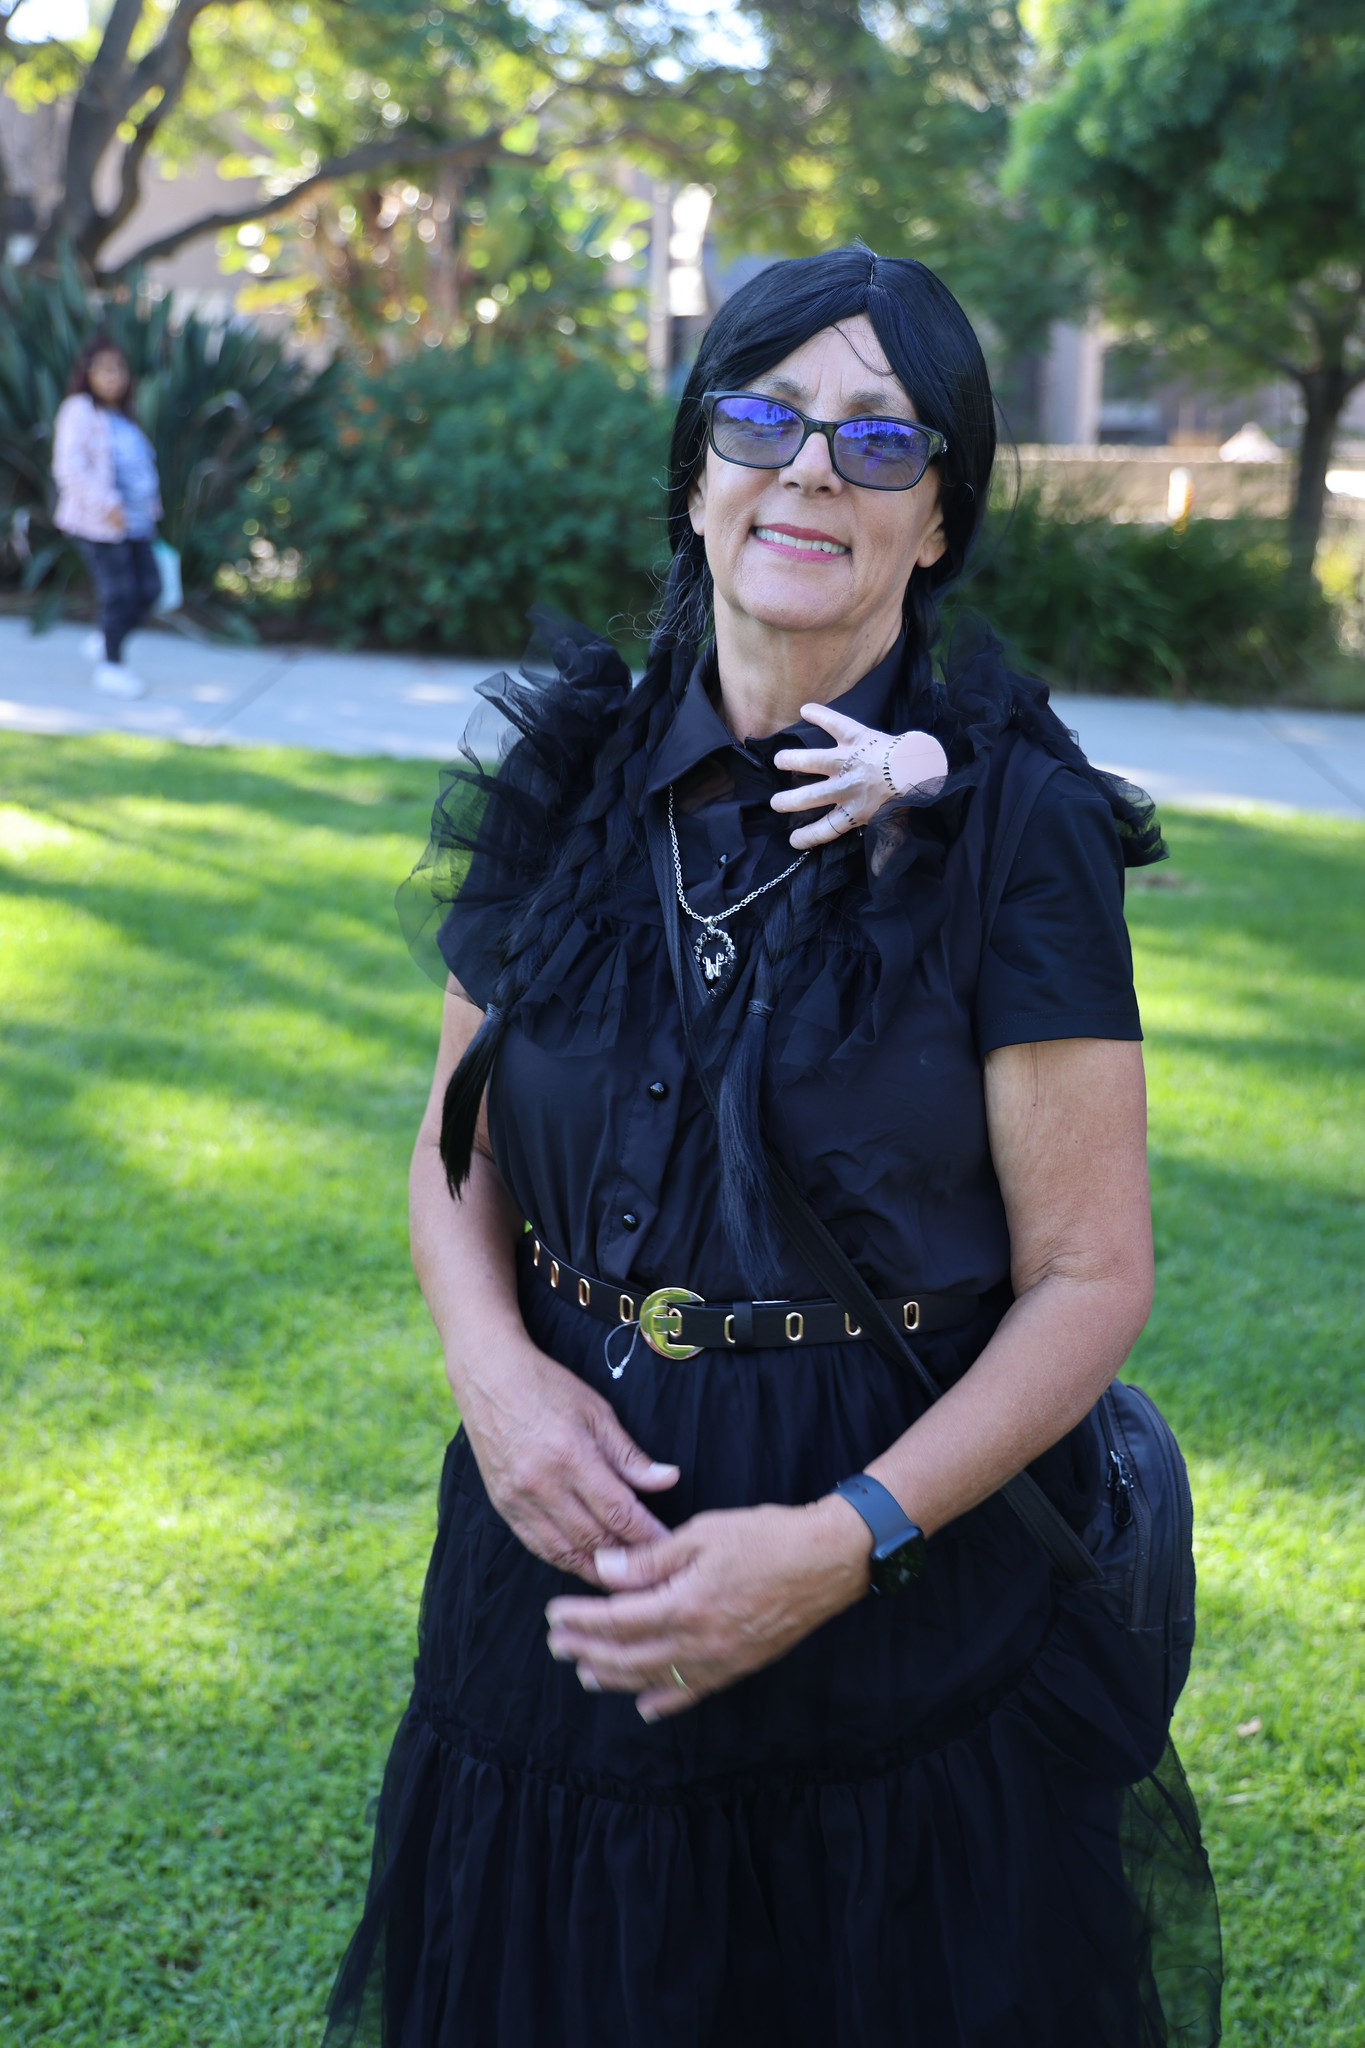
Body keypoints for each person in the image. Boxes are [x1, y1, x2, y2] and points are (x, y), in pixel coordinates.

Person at [324, 249, 1221, 2048]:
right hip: (553, 1572)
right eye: (766, 419)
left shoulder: (1013, 828)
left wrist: (839, 1539)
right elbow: (454, 1153)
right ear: (699, 469)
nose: (813, 469)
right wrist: (495, 1382)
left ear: (941, 516)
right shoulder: (563, 769)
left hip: (892, 1604)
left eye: (881, 443)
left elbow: (1090, 1275)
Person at [52, 335, 162, 700]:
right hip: (100, 523)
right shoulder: (79, 410)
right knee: (120, 594)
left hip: (137, 523)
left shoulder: (123, 416)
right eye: (105, 369)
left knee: (151, 590)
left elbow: (141, 468)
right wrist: (107, 505)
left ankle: (105, 638)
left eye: (120, 369)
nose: (114, 377)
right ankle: (112, 667)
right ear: (89, 373)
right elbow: (70, 467)